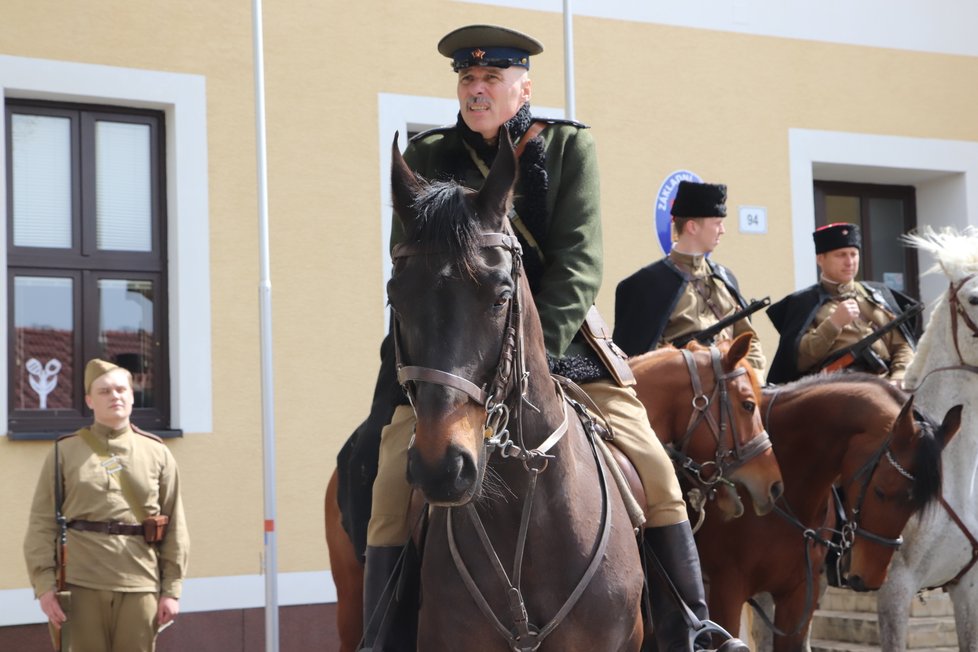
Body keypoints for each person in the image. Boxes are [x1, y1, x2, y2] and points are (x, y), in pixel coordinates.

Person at [347, 23, 717, 652]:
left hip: (564, 345)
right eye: (468, 78)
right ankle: (381, 636)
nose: (477, 89)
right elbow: (411, 268)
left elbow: (579, 262)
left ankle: (692, 626)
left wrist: (533, 346)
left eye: (492, 78)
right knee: (388, 485)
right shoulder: (430, 157)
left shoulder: (569, 148)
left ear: (524, 88)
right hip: (454, 355)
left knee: (655, 469)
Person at [24, 359, 189, 652]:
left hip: (140, 581)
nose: (115, 396)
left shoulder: (158, 453)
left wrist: (171, 590)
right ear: (89, 400)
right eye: (104, 391)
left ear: (132, 395)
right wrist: (44, 586)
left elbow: (175, 525)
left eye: (121, 389)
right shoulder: (65, 451)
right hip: (79, 582)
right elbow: (42, 522)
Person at [613, 180, 767, 375]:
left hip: (732, 391)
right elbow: (641, 361)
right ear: (692, 227)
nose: (723, 230)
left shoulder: (725, 279)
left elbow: (748, 341)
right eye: (717, 223)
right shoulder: (645, 285)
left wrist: (750, 380)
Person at [766, 222, 918, 385]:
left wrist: (900, 376)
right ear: (820, 259)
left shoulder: (877, 295)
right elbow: (801, 360)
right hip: (835, 387)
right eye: (841, 255)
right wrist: (834, 323)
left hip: (886, 383)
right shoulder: (803, 303)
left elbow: (903, 344)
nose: (849, 261)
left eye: (854, 254)